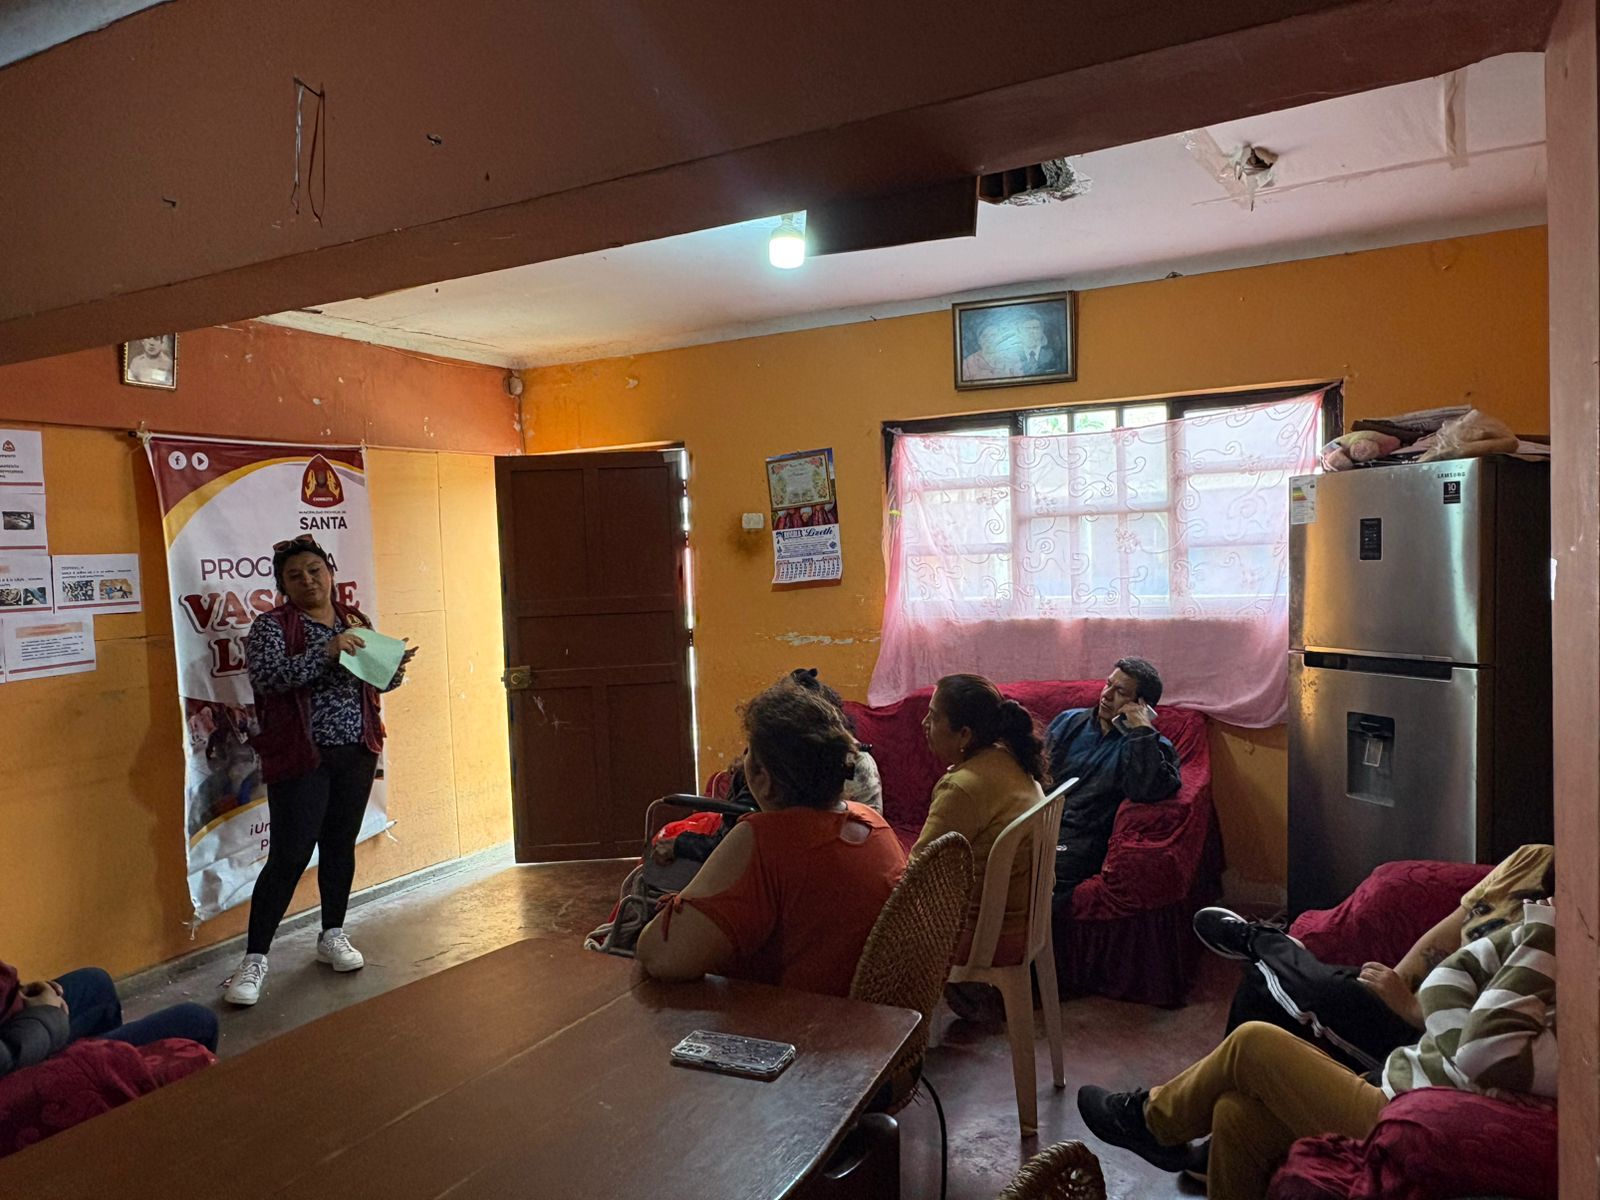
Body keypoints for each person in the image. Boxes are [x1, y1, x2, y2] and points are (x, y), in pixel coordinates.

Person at [1077, 890, 1557, 1199]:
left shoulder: (1571, 1012)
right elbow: (1450, 978)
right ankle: (1268, 947)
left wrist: (1545, 933)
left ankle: (1152, 1121)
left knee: (1254, 1043)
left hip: (1413, 1118)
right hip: (1401, 1081)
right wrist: (1449, 1004)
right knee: (1235, 1115)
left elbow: (1480, 1052)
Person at [222, 534, 417, 1006]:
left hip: (356, 750)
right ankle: (254, 959)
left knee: (338, 846)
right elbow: (268, 679)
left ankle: (332, 934)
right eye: (295, 576)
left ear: (330, 573)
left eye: (315, 571)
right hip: (301, 756)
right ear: (283, 585)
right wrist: (326, 651)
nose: (307, 581)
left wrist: (393, 667)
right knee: (289, 856)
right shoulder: (272, 626)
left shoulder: (354, 620)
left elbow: (376, 681)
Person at [634, 677, 907, 998]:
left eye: (749, 752)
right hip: (869, 1018)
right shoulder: (874, 824)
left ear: (762, 777)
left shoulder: (766, 838)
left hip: (804, 1020)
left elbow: (662, 956)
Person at [1191, 843, 1555, 1073]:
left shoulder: (1560, 931)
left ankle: (1264, 941)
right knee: (1262, 983)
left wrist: (1411, 1009)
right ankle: (1212, 1136)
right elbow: (1445, 935)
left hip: (1436, 1039)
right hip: (1411, 1000)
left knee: (1302, 986)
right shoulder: (1533, 859)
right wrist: (1390, 987)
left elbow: (1493, 1035)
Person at [915, 674, 1049, 1023]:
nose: (924, 723)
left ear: (964, 735)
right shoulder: (1010, 759)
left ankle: (881, 1033)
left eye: (934, 716)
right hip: (1026, 920)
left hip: (988, 937)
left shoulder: (963, 787)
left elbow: (916, 874)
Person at [1046, 657, 1181, 898]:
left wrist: (1141, 731)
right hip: (1037, 818)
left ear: (1141, 706)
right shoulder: (1069, 721)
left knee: (1045, 878)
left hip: (1080, 838)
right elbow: (1036, 771)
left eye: (1120, 692)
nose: (1106, 695)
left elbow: (1145, 789)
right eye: (1108, 684)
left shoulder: (1152, 746)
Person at [2, 959, 218, 1079]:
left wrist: (18, 995)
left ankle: (110, 1092)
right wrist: (45, 1013)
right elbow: (7, 1058)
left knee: (96, 984)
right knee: (197, 1020)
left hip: (14, 1031)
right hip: (11, 1072)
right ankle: (91, 1075)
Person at [962, 317, 1021, 381]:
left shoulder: (1012, 358)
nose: (988, 339)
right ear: (979, 341)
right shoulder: (968, 363)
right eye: (984, 336)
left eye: (992, 335)